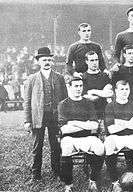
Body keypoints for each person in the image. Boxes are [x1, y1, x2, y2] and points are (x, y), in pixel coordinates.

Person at [23, 47, 68, 181]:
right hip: (38, 117)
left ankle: (57, 171)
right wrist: (27, 120)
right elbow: (27, 101)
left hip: (55, 116)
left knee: (56, 145)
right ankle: (36, 174)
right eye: (44, 60)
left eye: (49, 59)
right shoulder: (32, 79)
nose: (47, 62)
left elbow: (65, 100)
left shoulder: (59, 78)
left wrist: (64, 118)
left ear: (52, 61)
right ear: (38, 61)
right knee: (37, 146)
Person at [58, 77, 105, 192]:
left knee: (100, 148)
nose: (79, 89)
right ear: (69, 87)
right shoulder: (63, 104)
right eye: (76, 86)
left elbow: (95, 126)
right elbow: (65, 129)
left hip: (88, 137)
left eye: (80, 86)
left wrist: (74, 122)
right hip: (69, 138)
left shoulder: (88, 103)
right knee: (66, 148)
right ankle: (68, 184)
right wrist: (85, 124)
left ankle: (93, 180)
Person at [82, 50, 113, 120]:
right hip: (89, 115)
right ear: (86, 62)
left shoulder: (105, 76)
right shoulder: (83, 77)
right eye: (92, 60)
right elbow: (87, 97)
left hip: (105, 113)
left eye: (96, 60)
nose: (94, 62)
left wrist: (92, 91)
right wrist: (102, 93)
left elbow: (110, 93)